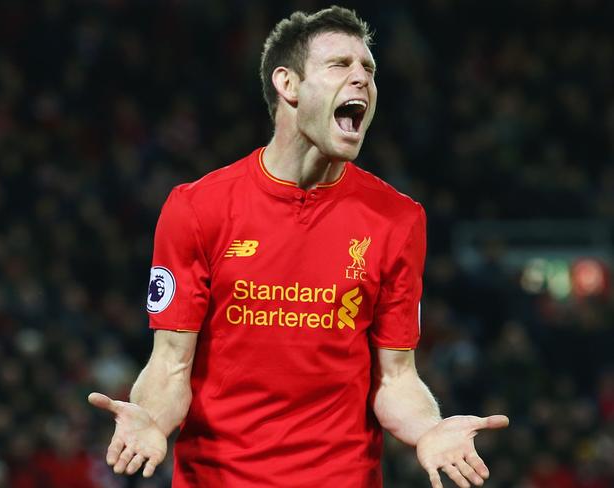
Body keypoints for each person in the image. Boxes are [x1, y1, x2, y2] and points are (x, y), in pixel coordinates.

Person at [88, 6, 508, 488]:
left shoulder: (398, 219)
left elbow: (395, 379)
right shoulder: (196, 209)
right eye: (340, 65)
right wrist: (149, 418)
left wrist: (429, 430)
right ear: (287, 84)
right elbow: (170, 364)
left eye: (368, 69)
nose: (362, 80)